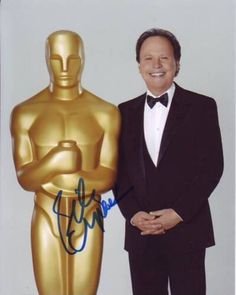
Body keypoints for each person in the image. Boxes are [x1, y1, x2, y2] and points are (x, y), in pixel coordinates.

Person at [113, 28, 223, 295]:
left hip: (187, 229)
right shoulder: (123, 112)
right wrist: (133, 214)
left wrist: (178, 214)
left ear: (177, 64)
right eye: (148, 58)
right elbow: (118, 171)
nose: (156, 65)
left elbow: (212, 168)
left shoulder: (202, 106)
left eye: (164, 58)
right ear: (139, 66)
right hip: (142, 231)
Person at [11, 30, 120, 295]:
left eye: (72, 59)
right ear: (46, 59)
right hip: (47, 210)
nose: (64, 68)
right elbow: (25, 178)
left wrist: (73, 178)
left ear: (83, 60)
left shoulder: (105, 112)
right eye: (56, 59)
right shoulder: (26, 113)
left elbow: (108, 175)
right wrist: (54, 162)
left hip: (88, 212)